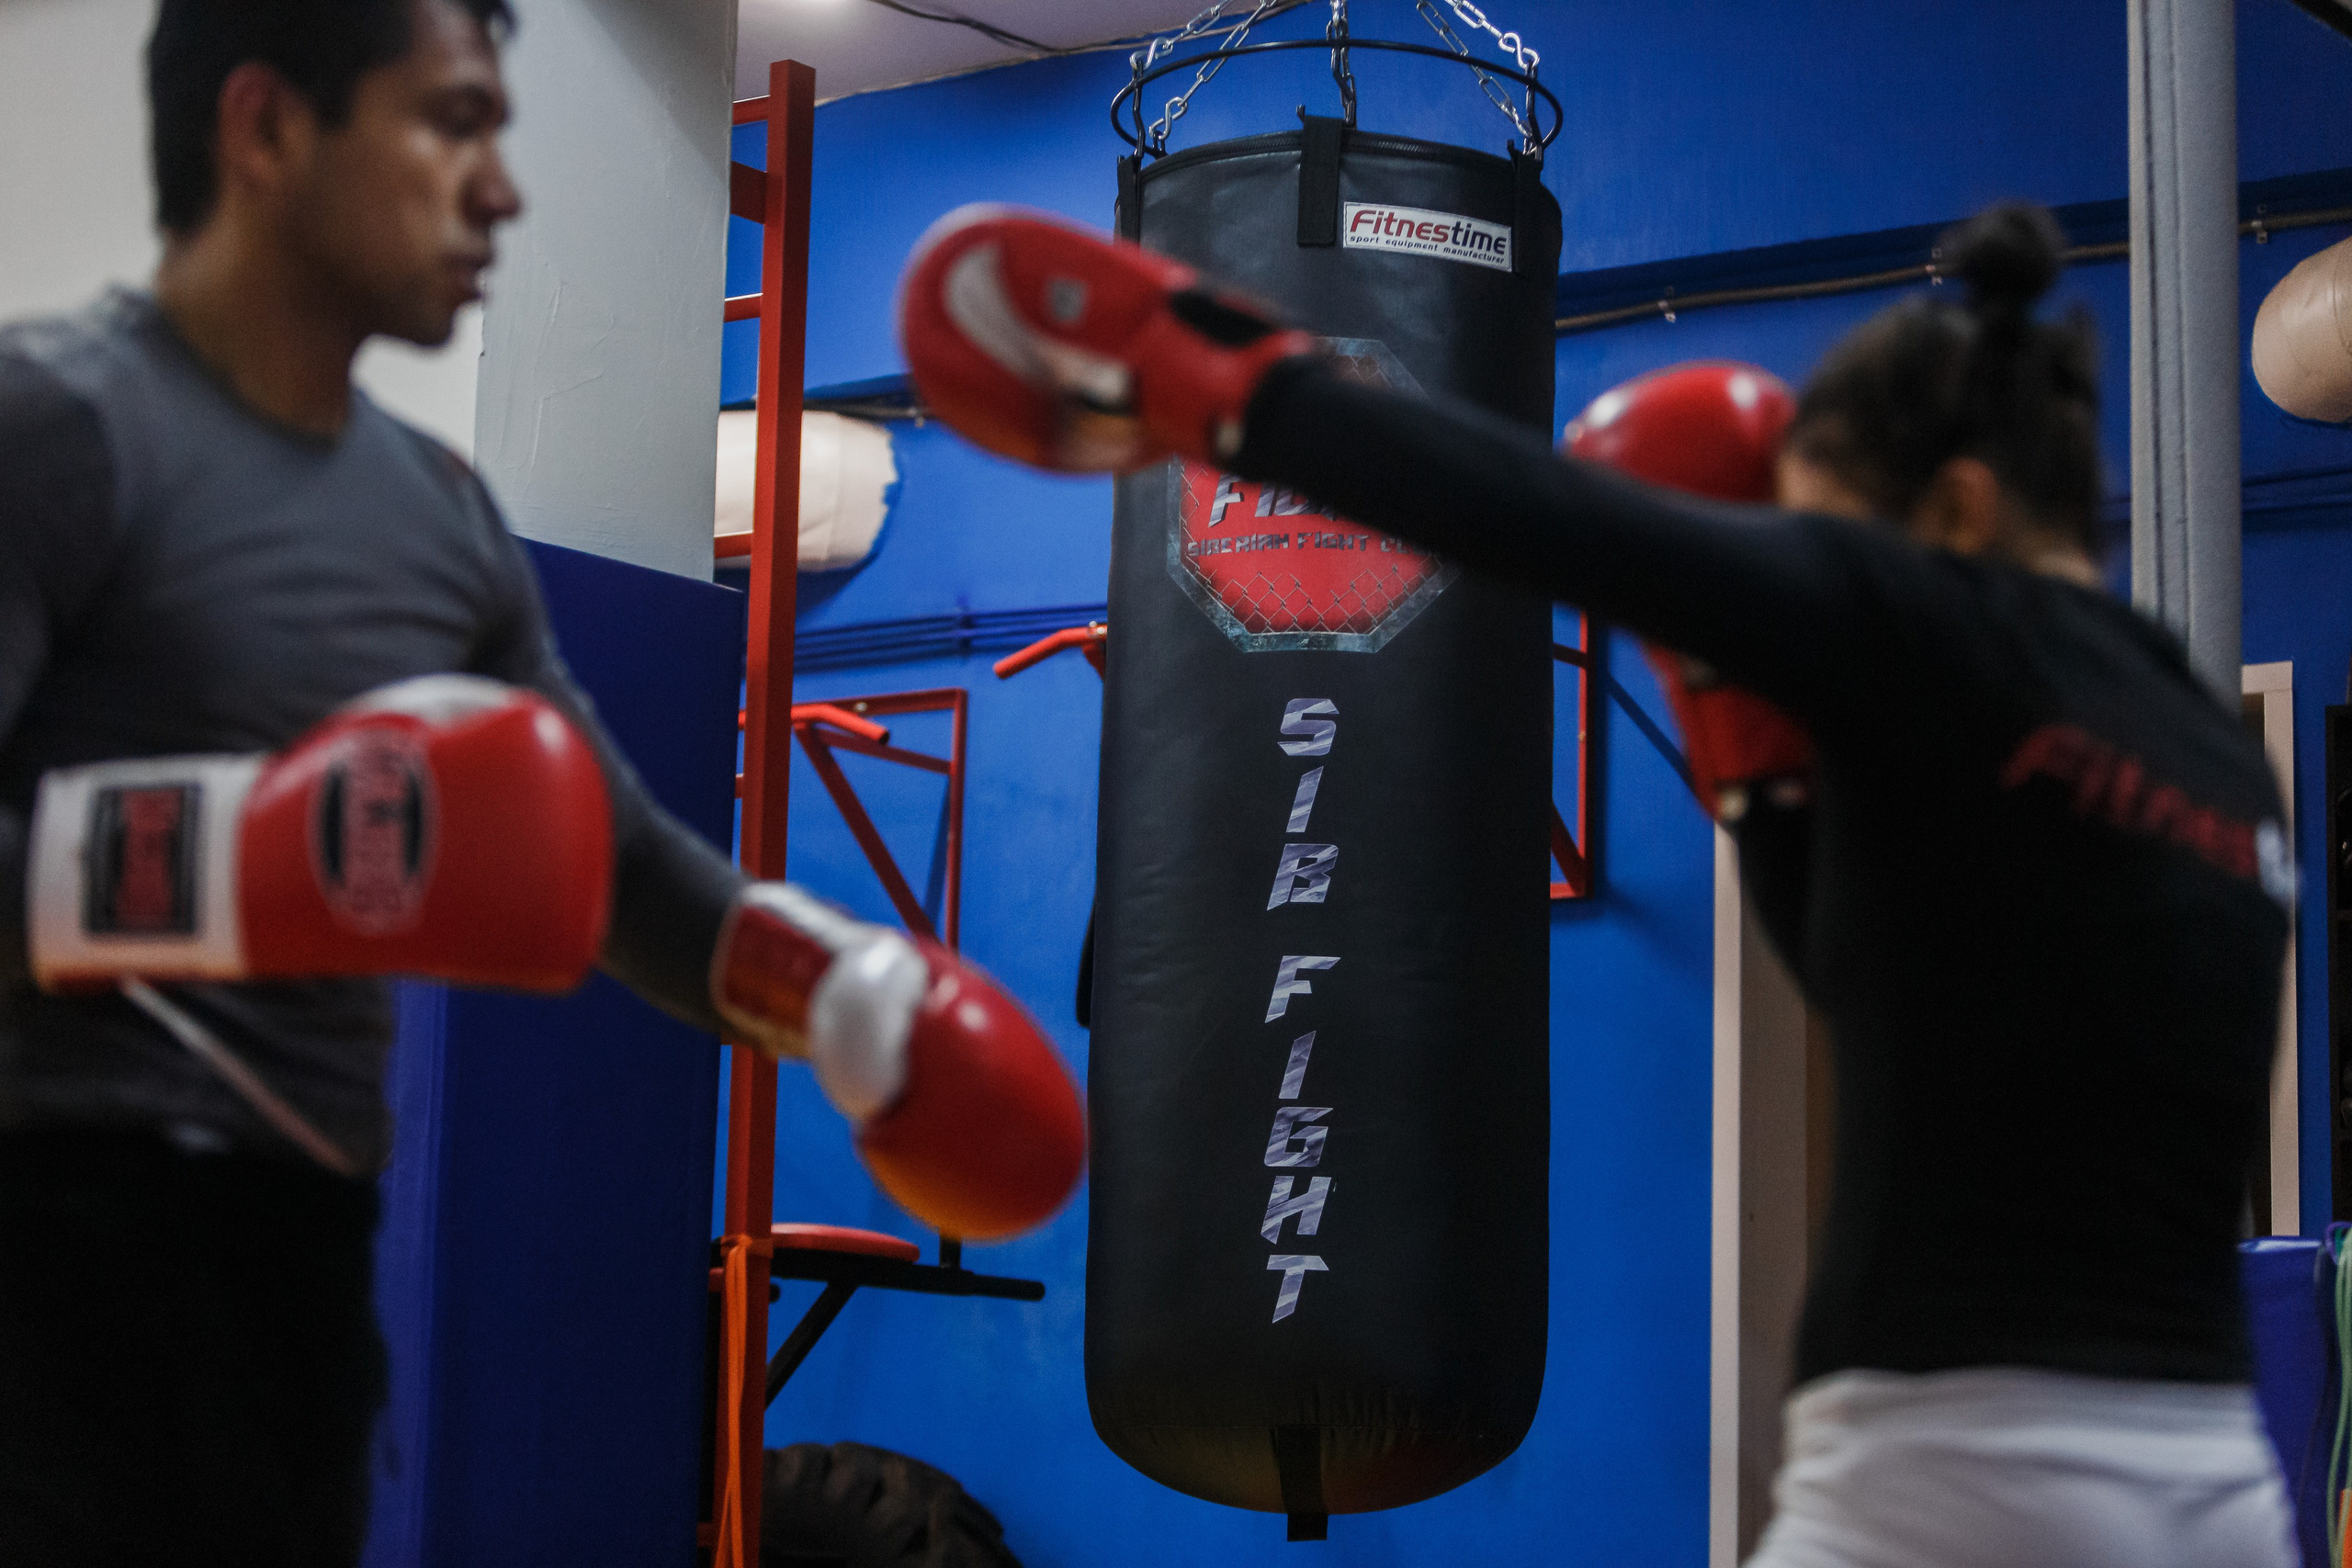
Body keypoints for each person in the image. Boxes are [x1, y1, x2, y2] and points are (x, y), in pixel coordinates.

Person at [897, 200, 2300, 1565]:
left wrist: (1211, 377)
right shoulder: (2208, 755)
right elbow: (1892, 985)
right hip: (2213, 1485)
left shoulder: (1921, 618)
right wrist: (1748, 753)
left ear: (1957, 503)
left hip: (1952, 1478)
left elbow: (1543, 516)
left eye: (1817, 532)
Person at [0, 3, 1082, 1562]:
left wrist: (836, 996)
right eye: (446, 129)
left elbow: (599, 857)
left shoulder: (422, 512)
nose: (502, 191)